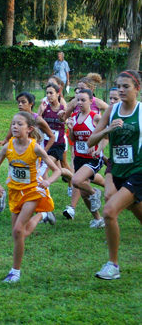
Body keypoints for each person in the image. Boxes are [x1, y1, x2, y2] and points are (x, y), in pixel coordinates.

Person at [0, 111, 61, 283]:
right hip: (14, 192)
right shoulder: (8, 147)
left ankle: (15, 272)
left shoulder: (35, 147)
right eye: (13, 123)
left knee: (18, 230)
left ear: (29, 129)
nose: (14, 126)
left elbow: (57, 170)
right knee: (18, 235)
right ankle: (42, 215)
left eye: (19, 124)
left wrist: (48, 181)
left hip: (33, 191)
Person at [88, 70, 142, 280]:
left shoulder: (140, 111)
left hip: (138, 172)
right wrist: (108, 130)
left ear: (137, 88)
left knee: (109, 211)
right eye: (118, 86)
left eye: (126, 86)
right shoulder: (112, 110)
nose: (121, 90)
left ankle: (113, 265)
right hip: (118, 172)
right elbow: (92, 141)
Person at [65, 89, 105, 226]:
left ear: (91, 101)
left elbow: (105, 137)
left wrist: (98, 149)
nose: (80, 103)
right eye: (78, 100)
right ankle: (98, 219)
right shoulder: (74, 117)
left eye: (83, 100)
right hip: (79, 157)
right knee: (83, 193)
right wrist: (70, 129)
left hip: (93, 158)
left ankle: (95, 192)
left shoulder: (96, 117)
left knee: (76, 180)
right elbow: (73, 139)